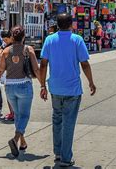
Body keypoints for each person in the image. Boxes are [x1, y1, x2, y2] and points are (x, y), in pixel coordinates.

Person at [39, 13, 96, 167]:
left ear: (57, 24)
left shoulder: (49, 40)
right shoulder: (77, 40)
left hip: (55, 88)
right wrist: (91, 82)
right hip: (72, 89)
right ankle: (65, 158)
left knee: (57, 119)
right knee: (68, 122)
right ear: (72, 24)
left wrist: (42, 85)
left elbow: (43, 64)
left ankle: (58, 153)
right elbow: (84, 63)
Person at [0, 26, 43, 158]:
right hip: (24, 85)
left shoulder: (6, 51)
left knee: (18, 115)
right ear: (24, 37)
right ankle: (15, 138)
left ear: (12, 37)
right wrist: (43, 85)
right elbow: (36, 69)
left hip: (10, 87)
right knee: (24, 115)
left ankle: (22, 143)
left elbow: (0, 70)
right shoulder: (28, 49)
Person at [0, 30, 15, 122]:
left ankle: (14, 113)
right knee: (8, 93)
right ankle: (12, 112)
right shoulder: (3, 45)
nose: (5, 41)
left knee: (12, 94)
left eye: (6, 39)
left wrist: (2, 54)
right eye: (3, 39)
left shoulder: (14, 46)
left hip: (12, 73)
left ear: (11, 38)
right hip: (4, 73)